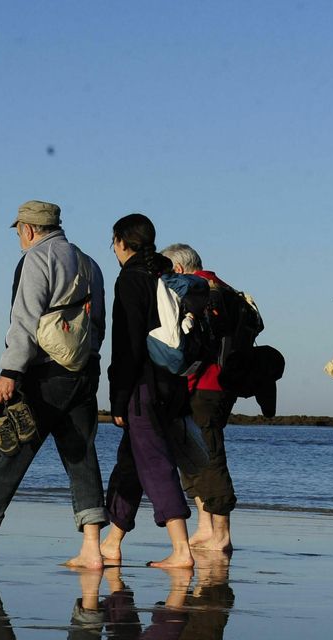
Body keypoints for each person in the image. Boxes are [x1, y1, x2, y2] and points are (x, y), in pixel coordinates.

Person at [0, 200, 110, 568]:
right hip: (84, 370)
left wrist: (10, 371)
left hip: (45, 373)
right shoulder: (89, 262)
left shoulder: (37, 258)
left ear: (28, 230)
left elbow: (25, 320)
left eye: (19, 231)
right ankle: (92, 549)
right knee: (81, 455)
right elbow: (97, 323)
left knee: (11, 450)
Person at [99, 214, 201, 569]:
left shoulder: (130, 279)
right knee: (131, 462)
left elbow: (126, 345)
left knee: (155, 462)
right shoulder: (167, 273)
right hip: (172, 382)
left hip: (143, 385)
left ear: (122, 242)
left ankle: (182, 550)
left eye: (113, 242)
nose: (113, 249)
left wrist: (117, 399)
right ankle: (112, 542)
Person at [163, 244, 237, 552]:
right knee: (194, 451)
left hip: (203, 384)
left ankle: (220, 533)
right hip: (221, 384)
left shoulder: (199, 291)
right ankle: (206, 527)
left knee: (208, 453)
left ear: (178, 269)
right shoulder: (226, 289)